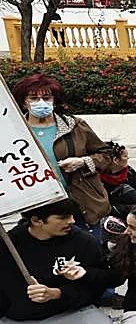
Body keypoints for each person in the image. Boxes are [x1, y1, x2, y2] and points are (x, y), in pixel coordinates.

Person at [0, 199, 120, 324]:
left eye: (72, 215)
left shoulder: (82, 241)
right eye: (63, 217)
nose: (71, 221)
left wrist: (59, 293)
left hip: (70, 312)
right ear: (37, 220)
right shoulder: (7, 244)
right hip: (19, 320)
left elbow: (101, 285)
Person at [13, 73, 114, 229]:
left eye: (46, 98)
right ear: (24, 103)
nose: (41, 103)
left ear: (54, 101)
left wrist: (82, 162)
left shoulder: (75, 126)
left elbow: (106, 154)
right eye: (33, 99)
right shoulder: (16, 131)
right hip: (40, 205)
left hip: (82, 203)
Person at [99, 142, 136, 220]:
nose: (128, 158)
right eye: (125, 156)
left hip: (134, 210)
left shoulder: (129, 172)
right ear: (115, 160)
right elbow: (104, 208)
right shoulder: (98, 178)